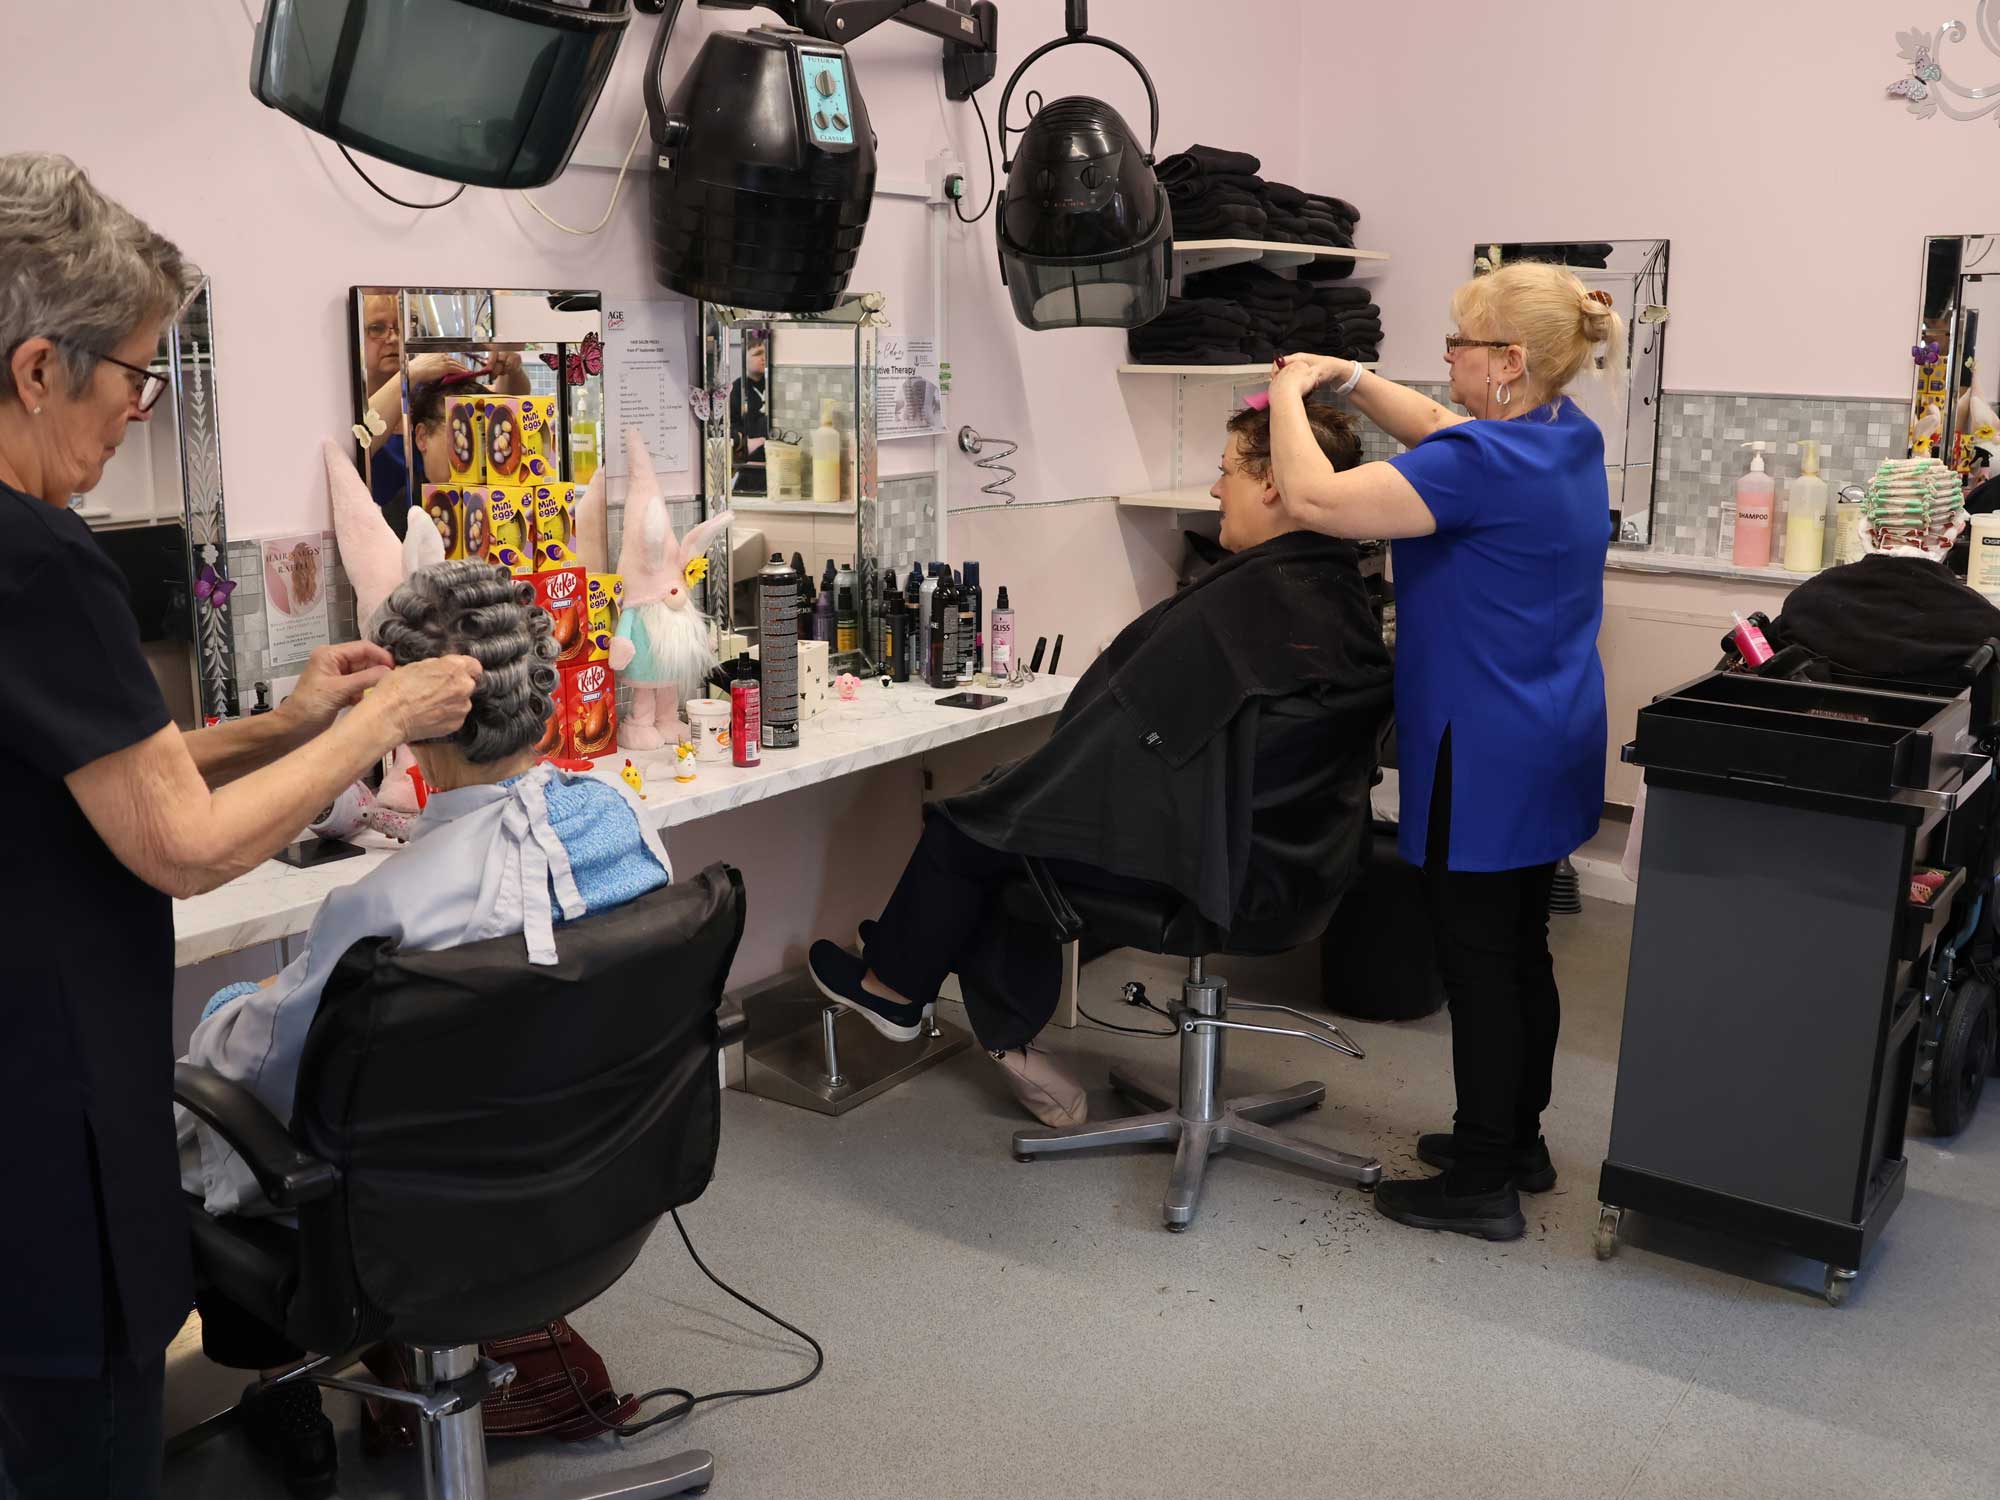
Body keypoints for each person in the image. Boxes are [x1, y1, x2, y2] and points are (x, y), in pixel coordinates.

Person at [0, 152, 481, 1500]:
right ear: (40, 371)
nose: (137, 412)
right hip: (46, 1109)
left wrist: (283, 722)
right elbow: (183, 843)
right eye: (133, 380)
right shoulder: (43, 562)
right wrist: (371, 731)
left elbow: (88, 764)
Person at [807, 402, 1393, 1125]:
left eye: (1224, 473)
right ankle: (930, 977)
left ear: (1273, 483)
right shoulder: (1337, 586)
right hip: (1299, 863)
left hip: (1225, 875)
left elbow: (1115, 739)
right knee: (1004, 818)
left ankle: (904, 986)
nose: (1216, 492)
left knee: (976, 828)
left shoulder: (1241, 609)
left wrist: (1022, 794)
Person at [1263, 260, 1622, 1242]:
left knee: (1475, 964)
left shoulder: (1480, 465)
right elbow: (1443, 433)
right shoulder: (1561, 437)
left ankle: (1479, 1180)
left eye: (1456, 348)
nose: (1444, 362)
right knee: (1518, 947)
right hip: (1549, 732)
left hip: (1483, 745)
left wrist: (1288, 396)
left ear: (1506, 362)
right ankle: (1518, 1143)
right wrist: (1347, 376)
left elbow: (1313, 499)